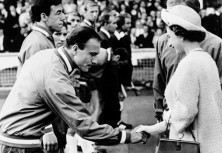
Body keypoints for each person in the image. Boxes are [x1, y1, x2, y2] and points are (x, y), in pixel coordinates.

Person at [0, 26, 147, 153]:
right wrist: (127, 136)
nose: (94, 61)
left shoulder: (48, 56)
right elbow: (84, 126)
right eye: (92, 54)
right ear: (75, 49)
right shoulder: (56, 75)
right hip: (22, 144)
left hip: (15, 138)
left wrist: (47, 129)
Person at [137, 5, 222, 153]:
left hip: (192, 144)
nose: (170, 43)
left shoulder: (188, 63)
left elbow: (185, 113)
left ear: (181, 35)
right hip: (212, 144)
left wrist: (164, 116)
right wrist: (153, 128)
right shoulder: (207, 60)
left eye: (170, 37)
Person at [153, 0, 222, 142]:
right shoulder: (163, 42)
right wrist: (160, 116)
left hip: (205, 127)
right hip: (172, 125)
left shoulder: (217, 45)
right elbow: (159, 82)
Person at [16, 0, 66, 152]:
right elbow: (35, 90)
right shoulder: (38, 43)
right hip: (40, 129)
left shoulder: (43, 40)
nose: (63, 17)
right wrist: (47, 129)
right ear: (44, 16)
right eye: (58, 13)